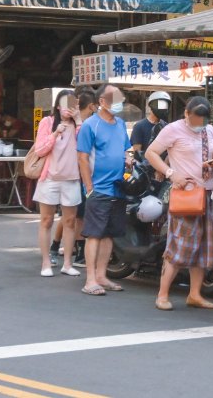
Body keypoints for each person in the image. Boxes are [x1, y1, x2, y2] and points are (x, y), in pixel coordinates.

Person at [146, 96, 213, 312]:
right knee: (179, 245)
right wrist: (171, 173)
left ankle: (194, 294)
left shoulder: (211, 131)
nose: (199, 126)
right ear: (186, 114)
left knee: (205, 247)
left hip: (208, 194)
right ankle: (162, 294)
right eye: (196, 120)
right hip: (186, 194)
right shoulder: (173, 129)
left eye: (203, 121)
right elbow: (151, 153)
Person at [76, 84, 131, 296]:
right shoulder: (90, 125)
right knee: (94, 234)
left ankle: (101, 275)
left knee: (109, 234)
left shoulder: (120, 124)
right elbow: (82, 158)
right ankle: (90, 279)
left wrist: (129, 158)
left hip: (118, 187)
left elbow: (127, 149)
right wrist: (89, 188)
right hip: (99, 189)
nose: (119, 103)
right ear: (101, 102)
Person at [34, 90, 81, 278]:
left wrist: (78, 122)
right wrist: (54, 134)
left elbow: (85, 147)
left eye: (73, 105)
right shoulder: (47, 122)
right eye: (65, 104)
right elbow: (40, 150)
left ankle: (67, 263)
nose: (69, 109)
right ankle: (46, 262)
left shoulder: (79, 125)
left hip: (71, 179)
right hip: (49, 179)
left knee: (70, 222)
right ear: (58, 106)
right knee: (46, 220)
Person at [51, 89, 98, 269]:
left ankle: (58, 246)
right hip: (74, 174)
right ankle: (76, 252)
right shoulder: (72, 123)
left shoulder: (84, 123)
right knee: (75, 216)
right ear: (92, 105)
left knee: (71, 215)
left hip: (80, 174)